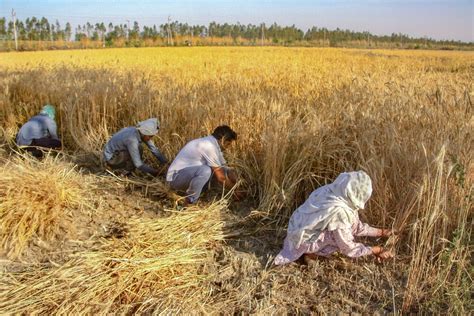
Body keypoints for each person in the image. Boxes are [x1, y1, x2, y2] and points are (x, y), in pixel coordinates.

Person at [274, 171, 394, 265]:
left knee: (342, 230)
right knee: (338, 237)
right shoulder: (340, 212)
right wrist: (376, 250)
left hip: (295, 232)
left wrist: (382, 232)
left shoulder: (332, 191)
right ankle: (310, 253)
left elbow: (356, 226)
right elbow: (348, 248)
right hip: (302, 242)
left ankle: (310, 251)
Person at [166, 125, 242, 205]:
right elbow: (221, 177)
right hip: (175, 178)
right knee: (205, 171)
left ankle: (201, 194)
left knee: (217, 170)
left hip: (184, 176)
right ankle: (189, 201)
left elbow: (224, 169)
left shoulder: (214, 146)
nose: (228, 147)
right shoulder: (209, 146)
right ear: (222, 140)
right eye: (228, 144)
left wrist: (236, 183)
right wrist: (234, 190)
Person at [103, 118, 167, 177]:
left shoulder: (138, 132)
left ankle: (125, 169)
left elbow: (153, 149)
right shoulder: (132, 140)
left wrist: (165, 163)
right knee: (138, 149)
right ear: (144, 134)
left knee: (138, 149)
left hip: (117, 153)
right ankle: (124, 172)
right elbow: (138, 164)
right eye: (150, 136)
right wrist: (156, 172)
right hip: (111, 159)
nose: (150, 139)